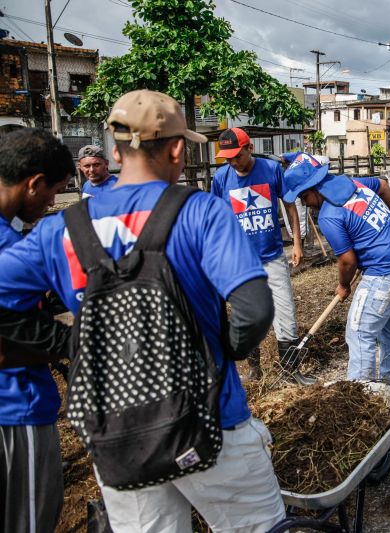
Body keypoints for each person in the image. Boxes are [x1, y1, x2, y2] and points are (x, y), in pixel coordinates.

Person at [0, 90, 286, 531]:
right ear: (176, 149)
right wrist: (223, 351)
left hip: (117, 430)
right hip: (211, 420)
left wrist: (71, 342)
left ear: (114, 152)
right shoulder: (200, 212)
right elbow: (253, 307)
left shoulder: (61, 229)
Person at [282, 153, 390, 391]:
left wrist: (344, 286)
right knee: (388, 328)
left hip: (385, 272)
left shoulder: (329, 215)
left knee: (359, 332)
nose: (305, 203)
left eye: (304, 196)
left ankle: (361, 398)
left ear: (315, 188)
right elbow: (384, 186)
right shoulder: (353, 183)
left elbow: (347, 261)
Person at [0, 128, 73, 533]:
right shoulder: (6, 247)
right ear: (35, 184)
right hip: (14, 408)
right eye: (55, 191)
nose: (51, 203)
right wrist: (72, 344)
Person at [212, 128, 312, 385]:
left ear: (249, 148)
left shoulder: (271, 170)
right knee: (247, 316)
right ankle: (255, 371)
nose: (233, 162)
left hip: (272, 255)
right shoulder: (221, 178)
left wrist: (296, 243)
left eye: (237, 156)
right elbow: (215, 219)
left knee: (285, 311)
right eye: (228, 158)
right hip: (239, 262)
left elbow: (290, 205)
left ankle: (290, 372)